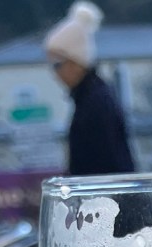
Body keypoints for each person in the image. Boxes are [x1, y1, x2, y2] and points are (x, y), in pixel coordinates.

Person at [44, 2, 135, 177]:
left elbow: (103, 164)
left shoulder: (95, 102)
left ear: (76, 62)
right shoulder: (92, 98)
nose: (55, 74)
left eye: (57, 64)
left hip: (104, 193)